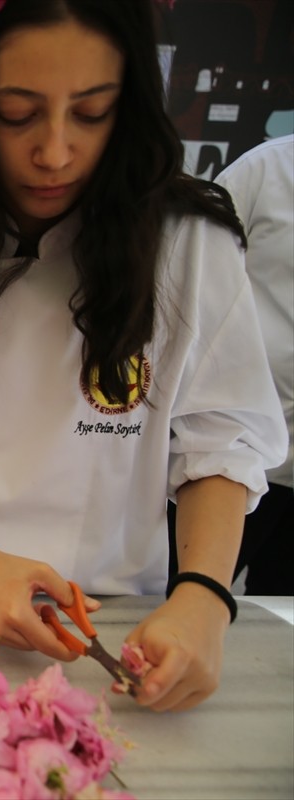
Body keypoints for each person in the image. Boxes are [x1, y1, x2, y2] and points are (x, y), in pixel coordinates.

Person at [0, 0, 286, 712]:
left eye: (92, 112)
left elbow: (222, 439)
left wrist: (203, 594)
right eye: (18, 113)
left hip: (105, 624)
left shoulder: (189, 242)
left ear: (129, 102)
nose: (55, 152)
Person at [209, 134, 293, 595]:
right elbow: (191, 274)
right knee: (182, 597)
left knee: (283, 623)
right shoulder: (265, 170)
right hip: (231, 453)